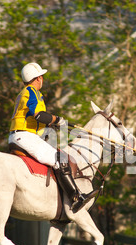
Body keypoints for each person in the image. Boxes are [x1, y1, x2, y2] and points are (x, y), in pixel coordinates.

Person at [8, 62, 98, 212]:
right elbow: (38, 115)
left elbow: (32, 117)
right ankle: (75, 198)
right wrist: (57, 119)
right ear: (37, 79)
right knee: (60, 159)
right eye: (41, 76)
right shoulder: (31, 92)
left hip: (22, 135)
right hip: (24, 136)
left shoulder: (25, 92)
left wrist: (50, 124)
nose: (42, 79)